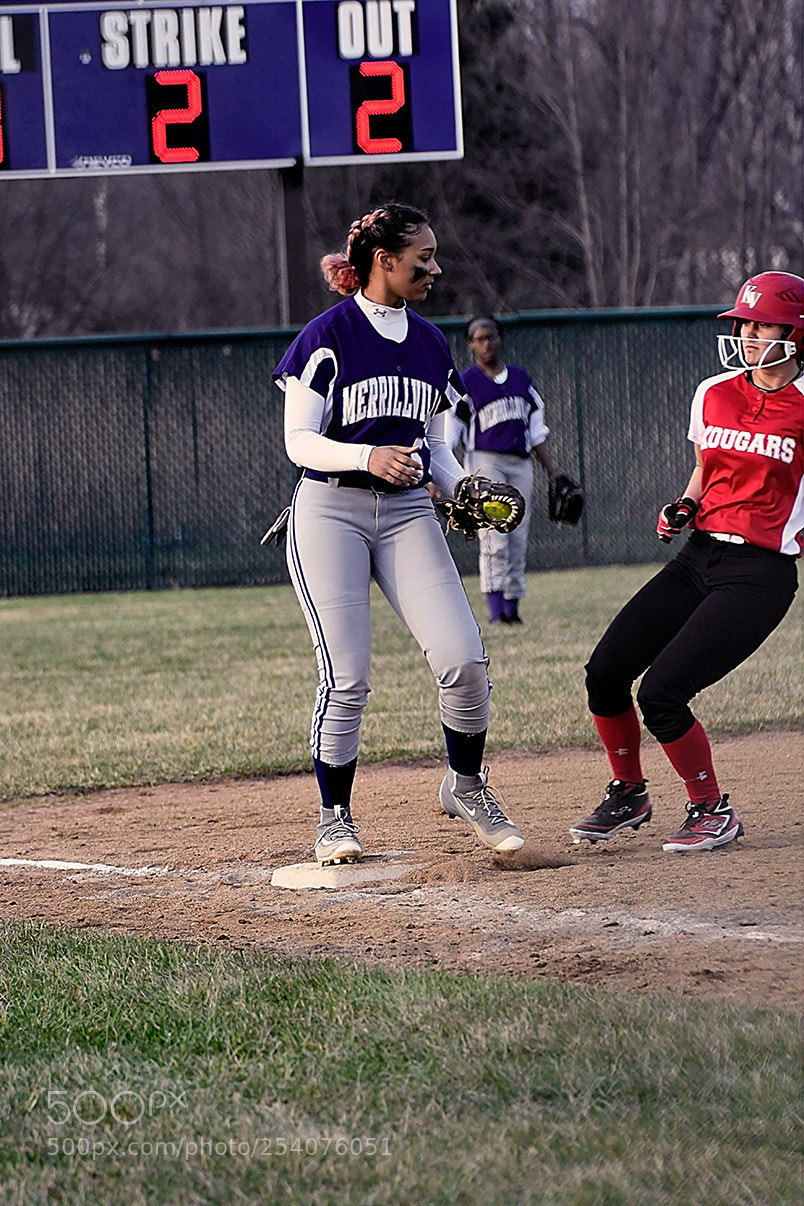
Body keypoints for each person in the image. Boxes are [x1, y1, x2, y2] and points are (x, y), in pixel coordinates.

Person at [273, 203, 525, 866]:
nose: (435, 269)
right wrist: (366, 456)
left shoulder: (428, 341)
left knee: (465, 661)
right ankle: (333, 817)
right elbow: (299, 441)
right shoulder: (327, 336)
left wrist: (462, 483)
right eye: (423, 259)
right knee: (348, 678)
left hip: (409, 511)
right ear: (383, 262)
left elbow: (435, 445)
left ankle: (465, 785)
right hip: (331, 513)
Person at [570, 270, 803, 852]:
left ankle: (712, 809)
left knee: (663, 691)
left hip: (760, 574)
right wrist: (685, 506)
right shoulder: (714, 391)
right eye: (743, 323)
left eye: (761, 323)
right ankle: (629, 792)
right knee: (605, 671)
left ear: (796, 331)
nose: (748, 334)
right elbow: (706, 471)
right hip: (697, 556)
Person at [447, 316, 561, 624]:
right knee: (494, 536)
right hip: (484, 462)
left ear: (501, 339)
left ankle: (513, 612)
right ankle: (497, 613)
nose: (486, 344)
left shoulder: (521, 379)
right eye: (479, 339)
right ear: (471, 344)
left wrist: (553, 471)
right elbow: (450, 434)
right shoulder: (466, 383)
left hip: (519, 462)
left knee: (517, 537)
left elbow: (536, 432)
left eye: (491, 337)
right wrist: (450, 478)